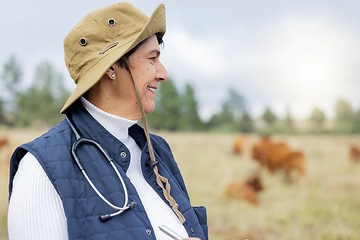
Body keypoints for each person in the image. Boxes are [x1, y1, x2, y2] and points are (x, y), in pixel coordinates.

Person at [8, 2, 208, 240]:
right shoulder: (40, 169)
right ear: (112, 67)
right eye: (152, 59)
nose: (162, 73)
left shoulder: (157, 151)